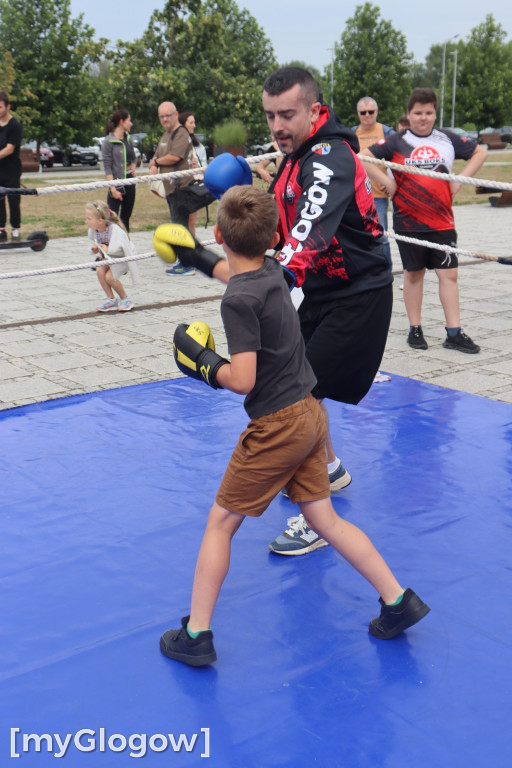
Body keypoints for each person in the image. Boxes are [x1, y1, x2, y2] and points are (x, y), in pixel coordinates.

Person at [156, 185, 430, 667]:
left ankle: (196, 635)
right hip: (310, 413)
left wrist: (202, 363)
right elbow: (236, 275)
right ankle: (397, 599)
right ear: (275, 235)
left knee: (220, 525)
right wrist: (198, 258)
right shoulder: (274, 272)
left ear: (219, 234)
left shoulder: (238, 302)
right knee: (324, 519)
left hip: (277, 425)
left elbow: (243, 379)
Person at [160, 67, 394, 558]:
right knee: (301, 388)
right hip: (320, 292)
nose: (277, 126)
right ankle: (328, 468)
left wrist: (222, 270)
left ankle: (315, 514)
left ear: (314, 110)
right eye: (270, 116)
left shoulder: (328, 158)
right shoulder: (294, 157)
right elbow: (273, 230)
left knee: (295, 398)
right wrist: (206, 249)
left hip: (357, 297)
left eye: (287, 114)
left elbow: (306, 233)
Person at [360, 87, 487, 354]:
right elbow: (363, 159)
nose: (423, 118)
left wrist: (459, 180)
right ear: (409, 114)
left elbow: (480, 153)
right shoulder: (397, 140)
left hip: (442, 223)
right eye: (418, 113)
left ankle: (454, 332)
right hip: (409, 223)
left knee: (449, 275)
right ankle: (414, 329)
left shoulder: (448, 139)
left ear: (434, 113)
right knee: (414, 275)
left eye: (429, 113)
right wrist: (386, 182)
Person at [148, 101, 194, 276]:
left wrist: (156, 162)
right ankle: (187, 261)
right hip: (170, 189)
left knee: (180, 227)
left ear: (176, 114)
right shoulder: (166, 135)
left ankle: (187, 264)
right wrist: (153, 163)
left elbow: (175, 157)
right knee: (178, 224)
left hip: (181, 188)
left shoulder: (181, 133)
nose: (165, 119)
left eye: (168, 115)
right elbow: (158, 155)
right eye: (162, 116)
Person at [352, 96, 395, 267]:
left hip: (378, 194)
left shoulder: (387, 132)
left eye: (371, 112)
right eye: (363, 112)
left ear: (377, 112)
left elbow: (399, 159)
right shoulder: (352, 133)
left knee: (381, 235)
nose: (367, 115)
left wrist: (390, 180)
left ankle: (386, 270)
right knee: (358, 236)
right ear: (358, 114)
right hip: (354, 194)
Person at [85, 200, 137, 312]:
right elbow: (97, 245)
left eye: (89, 219)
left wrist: (107, 250)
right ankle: (111, 299)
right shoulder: (95, 230)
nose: (86, 221)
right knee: (99, 270)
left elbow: (122, 249)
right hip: (110, 257)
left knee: (110, 277)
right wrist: (95, 249)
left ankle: (125, 299)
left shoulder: (116, 231)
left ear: (100, 221)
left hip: (123, 257)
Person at [101, 109, 137, 233]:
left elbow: (133, 156)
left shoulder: (128, 138)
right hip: (115, 184)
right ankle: (111, 247)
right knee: (112, 219)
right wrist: (113, 189)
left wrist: (133, 165)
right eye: (129, 120)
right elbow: (107, 166)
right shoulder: (108, 141)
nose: (131, 123)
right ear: (121, 121)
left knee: (126, 218)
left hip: (130, 183)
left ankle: (125, 245)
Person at [178, 111, 207, 237]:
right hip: (178, 186)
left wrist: (196, 167)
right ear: (183, 125)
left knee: (191, 221)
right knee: (179, 221)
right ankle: (181, 252)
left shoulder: (198, 146)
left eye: (194, 122)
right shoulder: (176, 144)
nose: (194, 125)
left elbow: (204, 167)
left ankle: (191, 251)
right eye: (191, 122)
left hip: (193, 186)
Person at [0, 91, 22, 242]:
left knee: (13, 200)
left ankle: (15, 229)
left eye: (0, 107)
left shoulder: (14, 125)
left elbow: (9, 149)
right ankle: (1, 230)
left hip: (12, 170)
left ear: (8, 107)